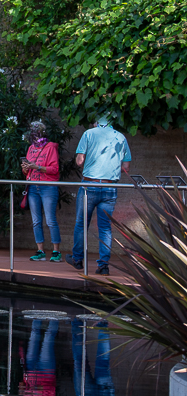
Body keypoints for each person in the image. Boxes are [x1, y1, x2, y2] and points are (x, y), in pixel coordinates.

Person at [70, 114, 131, 275]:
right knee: (105, 227)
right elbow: (126, 167)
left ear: (97, 122)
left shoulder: (89, 134)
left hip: (89, 185)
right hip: (110, 186)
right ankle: (103, 266)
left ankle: (77, 259)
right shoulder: (121, 137)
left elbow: (79, 161)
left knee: (81, 223)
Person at [21, 120, 62, 262]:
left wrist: (37, 167)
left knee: (50, 220)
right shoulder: (31, 148)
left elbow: (54, 169)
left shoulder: (50, 147)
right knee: (36, 221)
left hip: (48, 186)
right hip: (33, 186)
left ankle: (56, 251)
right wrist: (25, 168)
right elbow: (27, 172)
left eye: (36, 131)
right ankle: (40, 250)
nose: (34, 133)